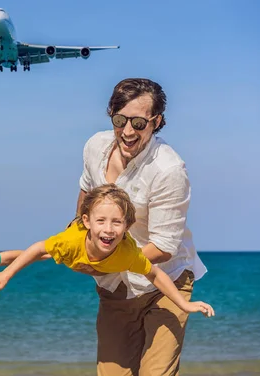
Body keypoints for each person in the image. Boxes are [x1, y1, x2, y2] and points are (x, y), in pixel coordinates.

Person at [78, 78, 206, 375]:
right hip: (116, 286)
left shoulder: (169, 170)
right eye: (120, 119)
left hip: (167, 281)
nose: (127, 131)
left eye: (138, 123)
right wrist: (78, 244)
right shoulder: (95, 146)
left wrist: (102, 262)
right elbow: (86, 193)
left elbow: (162, 247)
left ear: (156, 121)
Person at [0, 184, 214, 320]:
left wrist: (184, 305)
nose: (108, 230)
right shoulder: (69, 242)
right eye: (101, 221)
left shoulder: (127, 253)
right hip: (76, 244)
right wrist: (7, 274)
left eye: (117, 223)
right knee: (47, 254)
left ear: (127, 227)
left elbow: (155, 274)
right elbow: (38, 247)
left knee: (50, 255)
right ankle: (2, 258)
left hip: (92, 256)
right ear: (87, 221)